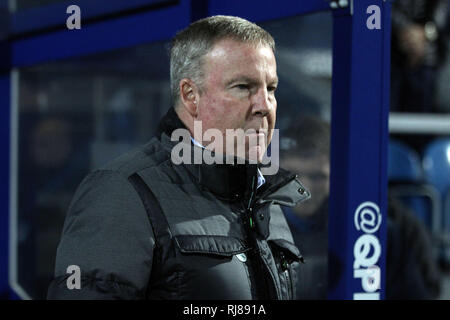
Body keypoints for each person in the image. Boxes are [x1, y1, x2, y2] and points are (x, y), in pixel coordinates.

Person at [47, 15, 310, 300]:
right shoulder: (121, 193)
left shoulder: (265, 199)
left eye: (270, 88)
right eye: (243, 87)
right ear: (190, 95)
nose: (264, 105)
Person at [280, 115, 442, 300]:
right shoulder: (257, 221)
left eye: (318, 177)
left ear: (338, 175)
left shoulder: (382, 225)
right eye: (293, 176)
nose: (304, 189)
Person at [390, 0, 449, 114]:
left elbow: (444, 12)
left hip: (430, 63)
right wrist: (407, 32)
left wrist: (424, 33)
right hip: (392, 55)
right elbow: (383, 9)